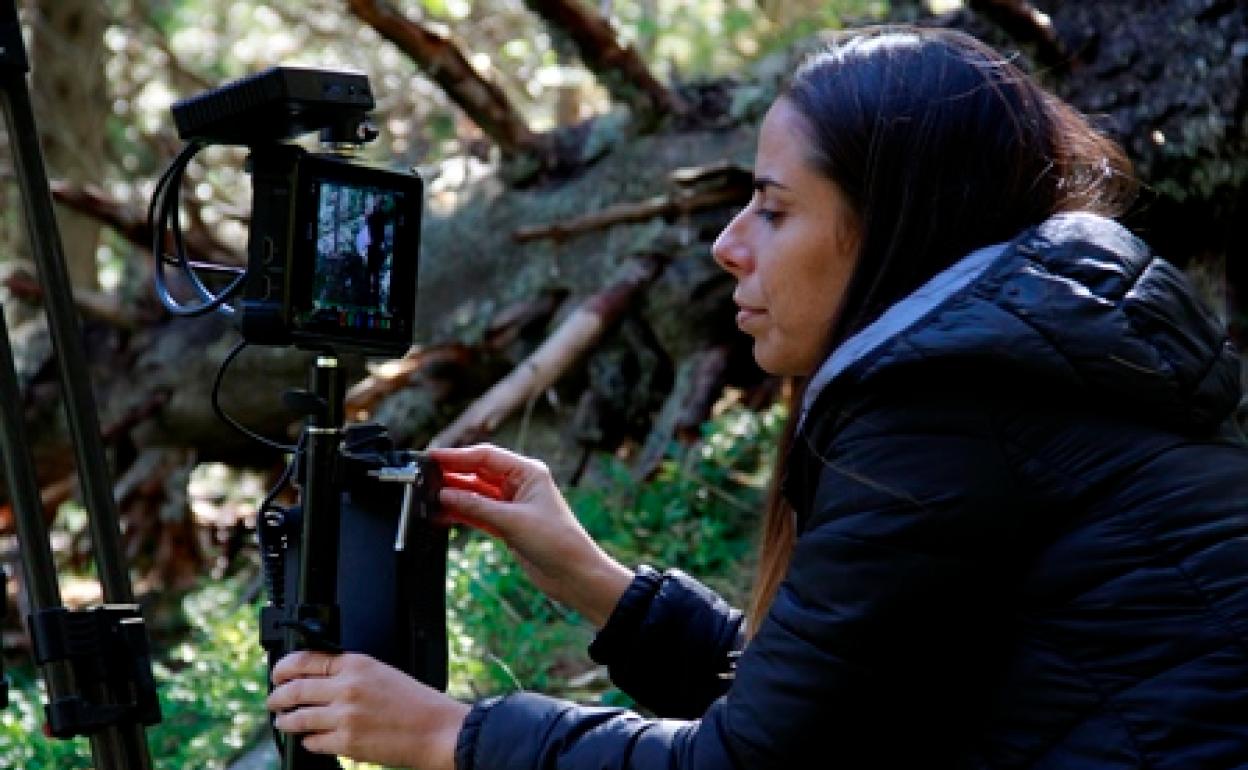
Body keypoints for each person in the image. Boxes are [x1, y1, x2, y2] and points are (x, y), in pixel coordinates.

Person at [266, 25, 1248, 769]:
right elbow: (828, 706)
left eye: (774, 209)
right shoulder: (1028, 363)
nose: (727, 244)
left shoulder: (947, 407)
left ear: (895, 225)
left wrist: (450, 734)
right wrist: (597, 580)